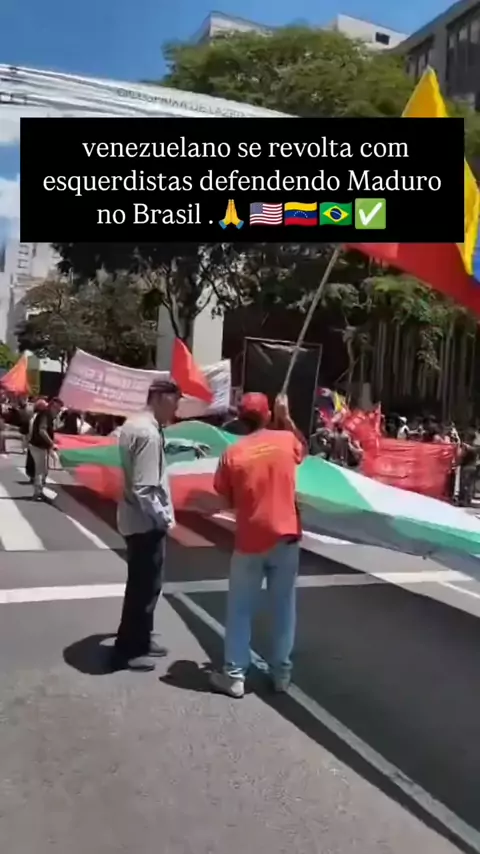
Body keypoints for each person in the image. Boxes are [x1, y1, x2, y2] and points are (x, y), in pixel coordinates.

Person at [209, 392, 306, 699]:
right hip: (286, 536)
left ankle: (234, 675)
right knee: (284, 607)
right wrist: (285, 416)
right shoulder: (286, 441)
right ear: (268, 414)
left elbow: (224, 495)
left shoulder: (233, 453)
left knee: (240, 609)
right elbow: (304, 449)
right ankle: (281, 673)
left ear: (240, 418)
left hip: (250, 539)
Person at [114, 379, 209, 672]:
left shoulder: (137, 425)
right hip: (146, 523)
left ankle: (141, 638)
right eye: (175, 399)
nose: (177, 407)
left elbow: (156, 451)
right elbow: (145, 489)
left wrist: (186, 446)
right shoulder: (148, 433)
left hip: (134, 519)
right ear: (159, 397)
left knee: (143, 584)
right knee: (144, 587)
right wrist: (165, 520)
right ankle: (130, 649)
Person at [28, 397, 63, 500]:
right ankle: (37, 493)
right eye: (58, 409)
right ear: (53, 406)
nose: (58, 412)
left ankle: (39, 491)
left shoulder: (47, 415)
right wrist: (51, 444)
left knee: (43, 470)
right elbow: (42, 430)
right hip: (37, 446)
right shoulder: (45, 415)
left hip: (40, 446)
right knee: (41, 470)